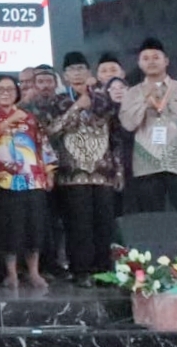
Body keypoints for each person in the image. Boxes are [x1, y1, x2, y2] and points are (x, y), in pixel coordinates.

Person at [46, 52, 123, 287]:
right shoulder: (57, 101)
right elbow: (51, 131)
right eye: (72, 70)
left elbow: (115, 136)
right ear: (64, 76)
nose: (77, 73)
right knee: (78, 225)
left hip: (103, 174)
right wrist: (76, 107)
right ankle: (81, 271)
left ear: (89, 72)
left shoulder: (104, 100)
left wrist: (119, 169)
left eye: (81, 68)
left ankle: (105, 271)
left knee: (104, 225)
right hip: (72, 174)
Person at [0, 75, 53, 290]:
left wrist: (49, 171)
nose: (6, 93)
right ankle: (11, 274)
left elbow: (42, 143)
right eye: (1, 89)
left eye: (10, 89)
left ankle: (34, 272)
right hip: (3, 181)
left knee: (34, 227)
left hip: (32, 180)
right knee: (9, 228)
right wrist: (10, 120)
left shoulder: (29, 117)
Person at [120, 37, 177, 212]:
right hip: (147, 164)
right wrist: (145, 104)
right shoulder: (132, 93)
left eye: (156, 57)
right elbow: (128, 124)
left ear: (166, 61)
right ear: (139, 63)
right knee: (153, 218)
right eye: (145, 58)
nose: (151, 62)